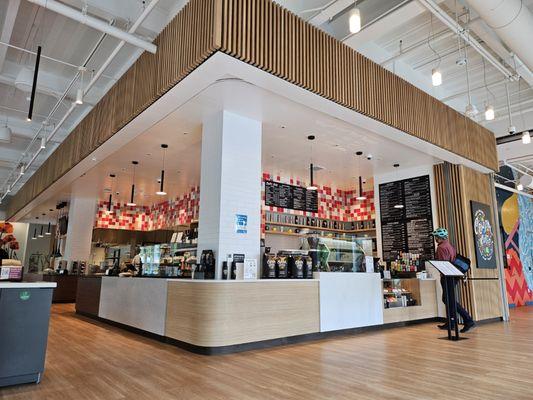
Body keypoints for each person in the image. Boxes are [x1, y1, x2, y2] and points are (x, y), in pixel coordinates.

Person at [431, 228, 476, 333]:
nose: (435, 239)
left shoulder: (441, 248)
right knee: (447, 299)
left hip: (447, 276)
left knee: (449, 300)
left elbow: (443, 264)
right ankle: (451, 322)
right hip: (454, 275)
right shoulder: (450, 246)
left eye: (436, 237)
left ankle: (468, 320)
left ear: (439, 238)